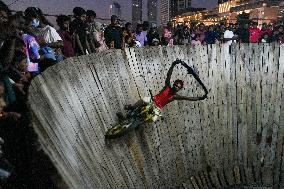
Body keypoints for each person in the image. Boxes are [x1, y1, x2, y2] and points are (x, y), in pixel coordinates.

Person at [118, 60, 208, 122]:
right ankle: (132, 107)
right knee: (144, 100)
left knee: (153, 119)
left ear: (179, 89)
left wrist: (200, 98)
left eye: (178, 87)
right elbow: (169, 75)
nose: (176, 87)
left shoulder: (175, 96)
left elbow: (188, 98)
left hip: (157, 108)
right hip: (152, 100)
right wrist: (173, 65)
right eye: (176, 85)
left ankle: (139, 122)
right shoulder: (167, 86)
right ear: (173, 84)